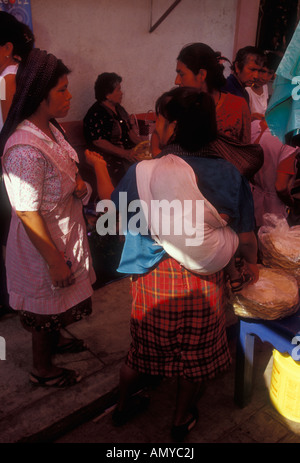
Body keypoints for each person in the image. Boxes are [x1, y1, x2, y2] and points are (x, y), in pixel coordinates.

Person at [88, 87, 258, 440]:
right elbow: (244, 238)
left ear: (174, 127)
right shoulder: (229, 173)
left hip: (154, 276)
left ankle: (121, 410)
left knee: (142, 351)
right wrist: (251, 264)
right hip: (204, 278)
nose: (155, 128)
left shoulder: (143, 172)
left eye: (159, 121)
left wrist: (100, 169)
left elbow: (111, 218)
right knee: (194, 357)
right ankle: (180, 420)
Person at [0, 49, 96, 387]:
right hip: (43, 245)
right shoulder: (25, 148)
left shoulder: (51, 130)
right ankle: (42, 368)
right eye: (62, 90)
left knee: (58, 300)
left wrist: (78, 185)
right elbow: (27, 211)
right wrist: (55, 261)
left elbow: (62, 169)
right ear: (40, 97)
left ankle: (57, 340)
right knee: (45, 304)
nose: (69, 96)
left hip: (62, 232)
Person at [0, 11, 35, 317]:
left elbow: (11, 127)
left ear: (7, 47)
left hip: (8, 170)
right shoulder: (9, 75)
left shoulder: (9, 76)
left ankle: (19, 299)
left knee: (12, 237)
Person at [174, 42, 251, 143]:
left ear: (201, 74)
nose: (177, 81)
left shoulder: (238, 106)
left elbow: (245, 152)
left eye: (182, 74)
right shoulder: (180, 106)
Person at [83, 72, 141, 186]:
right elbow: (98, 141)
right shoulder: (96, 113)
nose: (121, 93)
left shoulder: (119, 109)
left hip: (127, 154)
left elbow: (129, 132)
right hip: (109, 159)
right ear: (107, 94)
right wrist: (124, 153)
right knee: (131, 175)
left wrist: (143, 144)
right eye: (118, 90)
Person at [246, 51, 281, 118]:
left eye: (270, 73)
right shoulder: (247, 90)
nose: (264, 78)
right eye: (262, 71)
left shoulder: (265, 87)